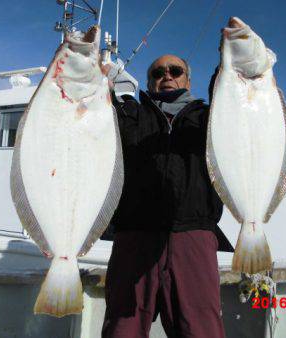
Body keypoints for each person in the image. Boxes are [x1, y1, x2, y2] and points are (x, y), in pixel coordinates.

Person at [101, 53, 233, 338]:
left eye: (175, 70)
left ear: (188, 79)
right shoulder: (129, 115)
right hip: (134, 238)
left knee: (201, 330)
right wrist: (98, 81)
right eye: (158, 73)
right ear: (149, 82)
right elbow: (94, 114)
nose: (167, 76)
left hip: (194, 236)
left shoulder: (209, 118)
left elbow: (234, 101)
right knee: (122, 330)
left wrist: (229, 66)